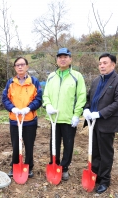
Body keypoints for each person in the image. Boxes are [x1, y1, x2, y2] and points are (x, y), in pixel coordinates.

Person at [83, 53, 118, 194]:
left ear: (113, 65)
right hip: (93, 123)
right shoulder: (96, 80)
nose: (101, 65)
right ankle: (95, 174)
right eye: (100, 63)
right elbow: (89, 98)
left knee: (106, 153)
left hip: (106, 122)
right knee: (95, 150)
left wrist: (100, 113)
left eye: (105, 63)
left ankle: (105, 180)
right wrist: (86, 109)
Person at [43, 47, 87, 181]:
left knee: (68, 144)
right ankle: (54, 164)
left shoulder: (76, 76)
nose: (62, 59)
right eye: (60, 57)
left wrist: (77, 114)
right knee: (53, 144)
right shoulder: (51, 76)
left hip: (69, 118)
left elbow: (81, 96)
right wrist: (48, 105)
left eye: (65, 57)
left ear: (70, 59)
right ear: (56, 60)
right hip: (54, 118)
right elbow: (46, 94)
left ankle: (65, 167)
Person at [2, 57, 42, 178]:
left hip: (29, 120)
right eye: (17, 65)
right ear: (15, 68)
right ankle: (14, 165)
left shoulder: (34, 82)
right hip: (15, 120)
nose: (20, 67)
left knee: (29, 145)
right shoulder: (10, 83)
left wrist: (29, 108)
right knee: (15, 145)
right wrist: (12, 108)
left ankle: (29, 166)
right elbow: (5, 99)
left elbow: (39, 99)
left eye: (22, 64)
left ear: (27, 66)